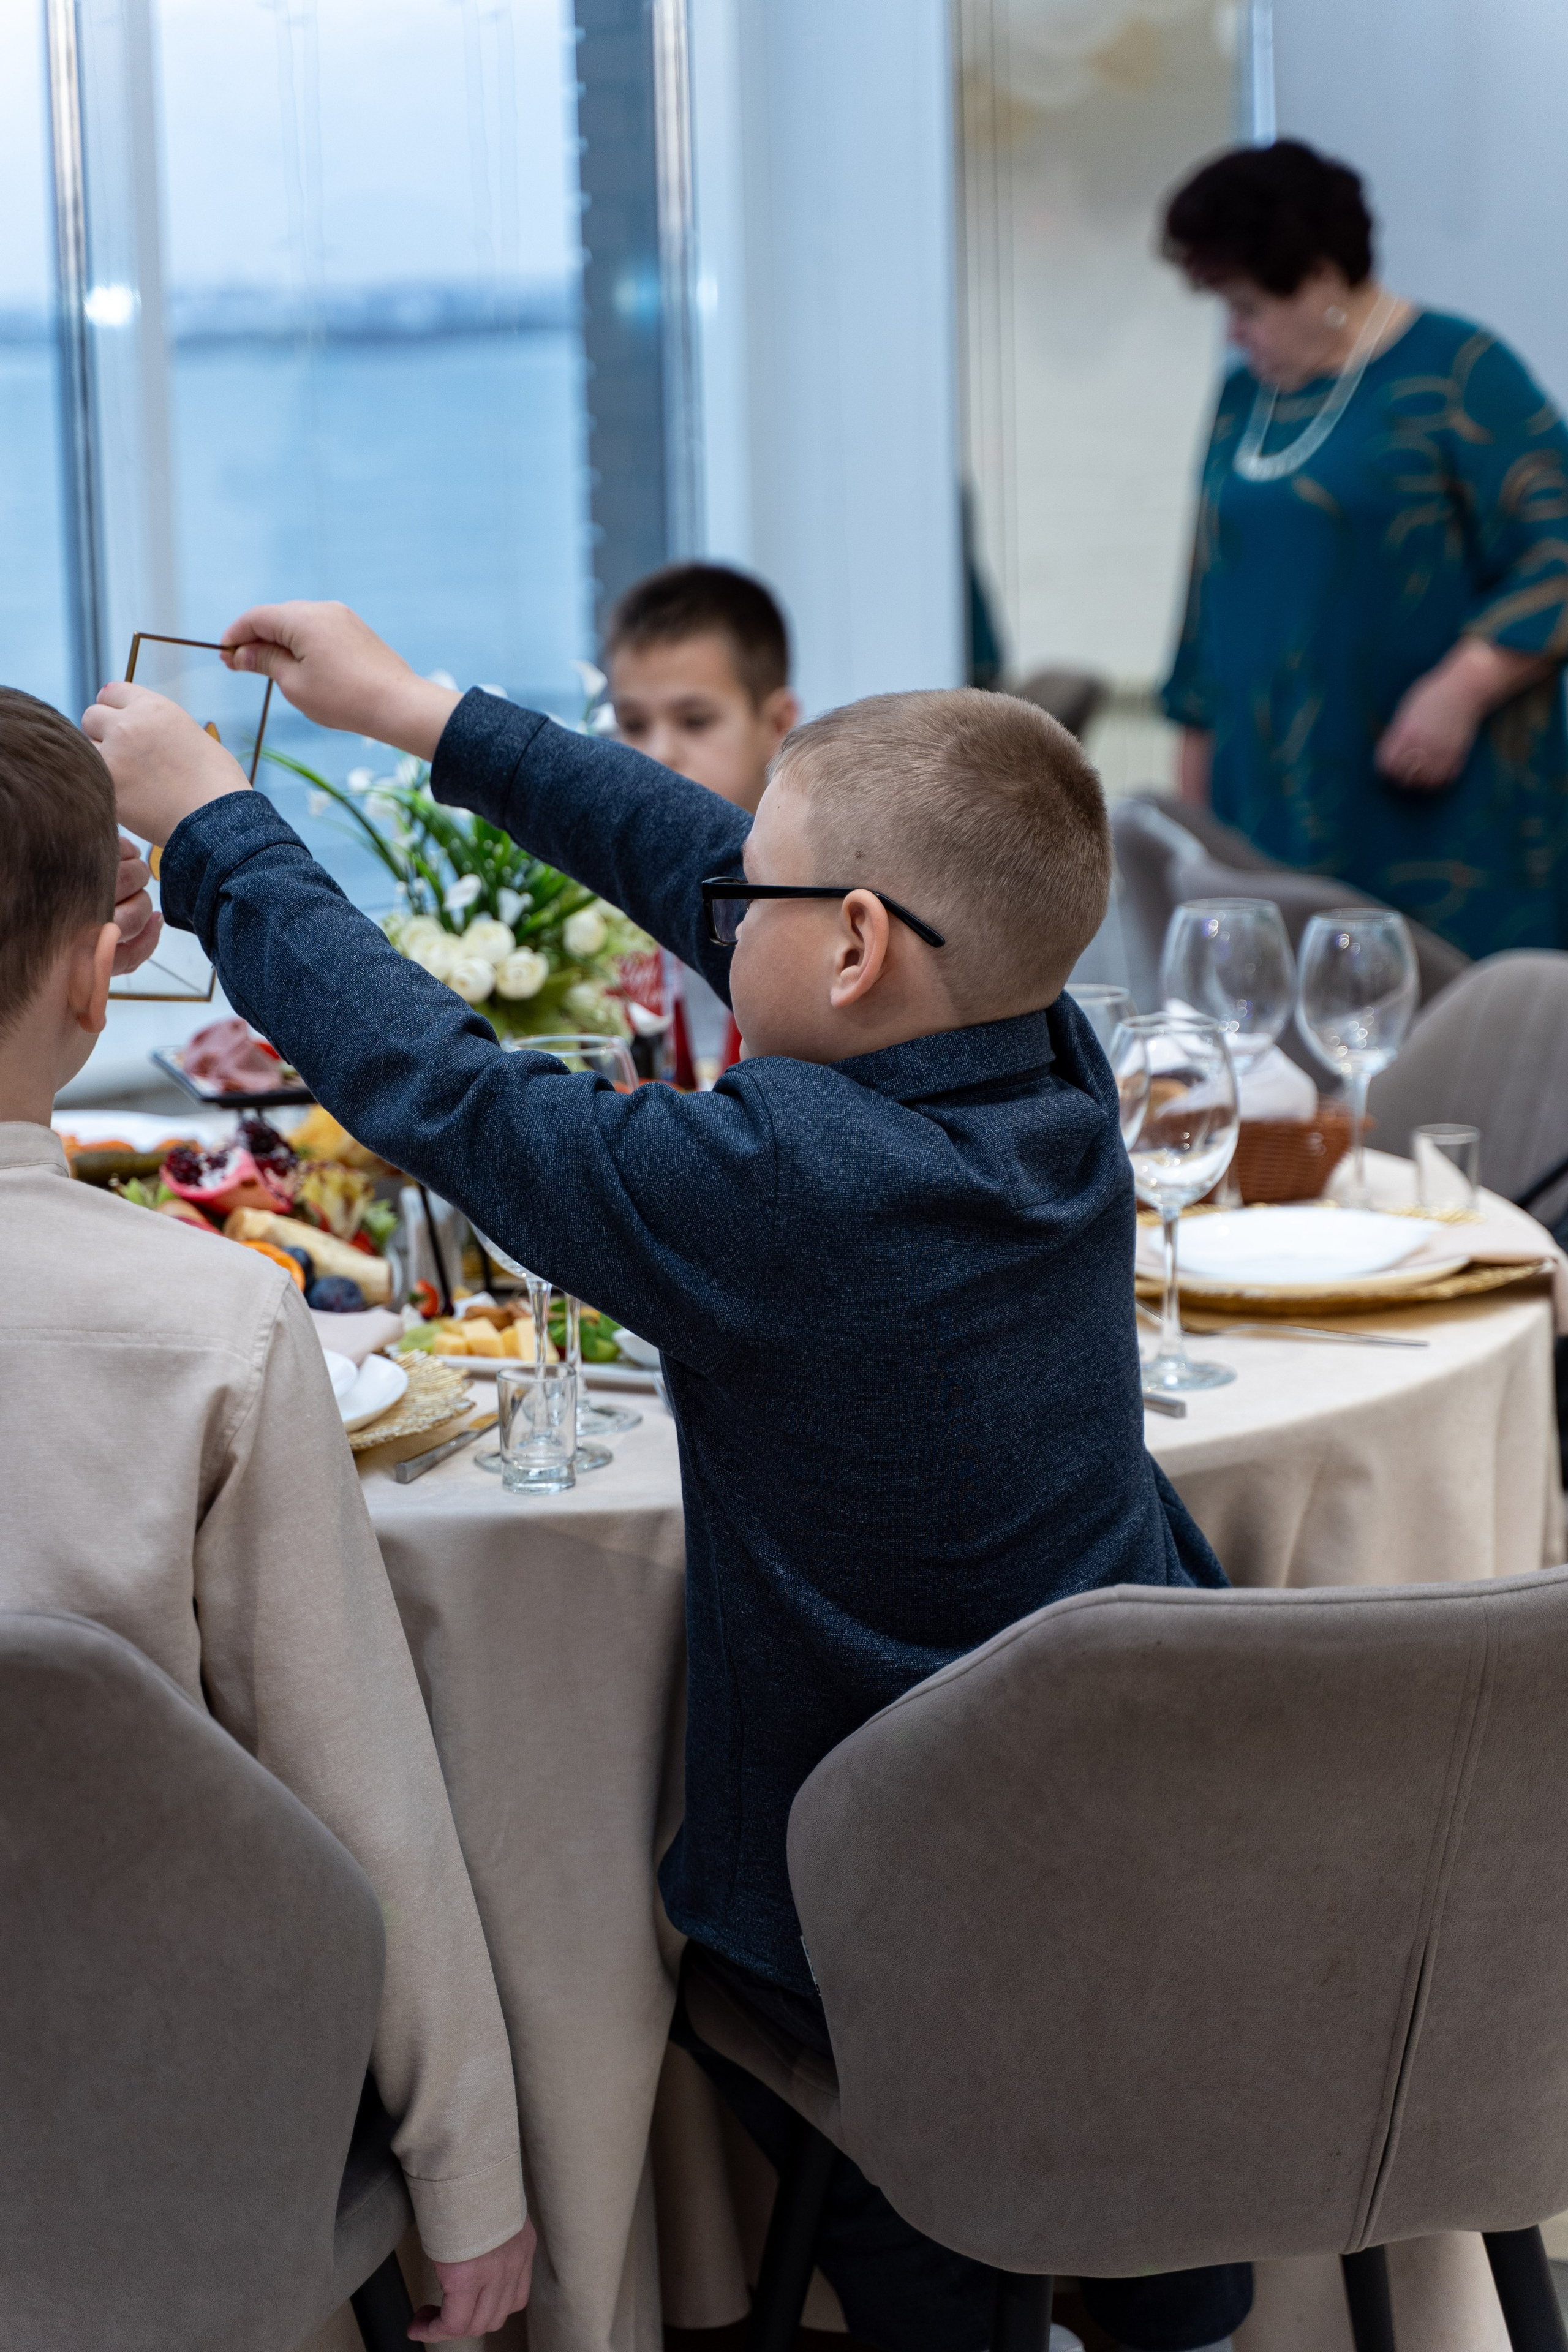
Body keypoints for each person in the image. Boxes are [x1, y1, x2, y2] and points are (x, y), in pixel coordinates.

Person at [89, 604, 1251, 2352]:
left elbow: (449, 1096)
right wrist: (414, 712)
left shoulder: (790, 1184)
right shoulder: (1053, 1065)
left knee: (920, 2231)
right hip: (1150, 1858)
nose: (715, 911)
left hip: (888, 1917)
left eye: (757, 902)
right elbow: (705, 853)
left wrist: (215, 838)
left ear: (856, 948)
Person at [0, 688, 535, 2346]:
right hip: (131, 2125)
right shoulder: (215, 1323)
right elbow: (355, 1786)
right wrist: (471, 2178)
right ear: (104, 972)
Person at [1160, 138, 1568, 960]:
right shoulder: (1246, 398)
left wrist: (1462, 688)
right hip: (1265, 804)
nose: (1236, 334)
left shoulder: (1458, 373)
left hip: (1433, 812)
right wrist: (1193, 805)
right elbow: (1210, 590)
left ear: (1320, 277)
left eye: (1247, 306)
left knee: (1446, 1056)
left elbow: (1557, 550)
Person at [603, 561, 800, 1083]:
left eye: (695, 721)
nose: (658, 753)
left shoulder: (818, 901)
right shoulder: (591, 900)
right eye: (632, 724)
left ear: (778, 723)